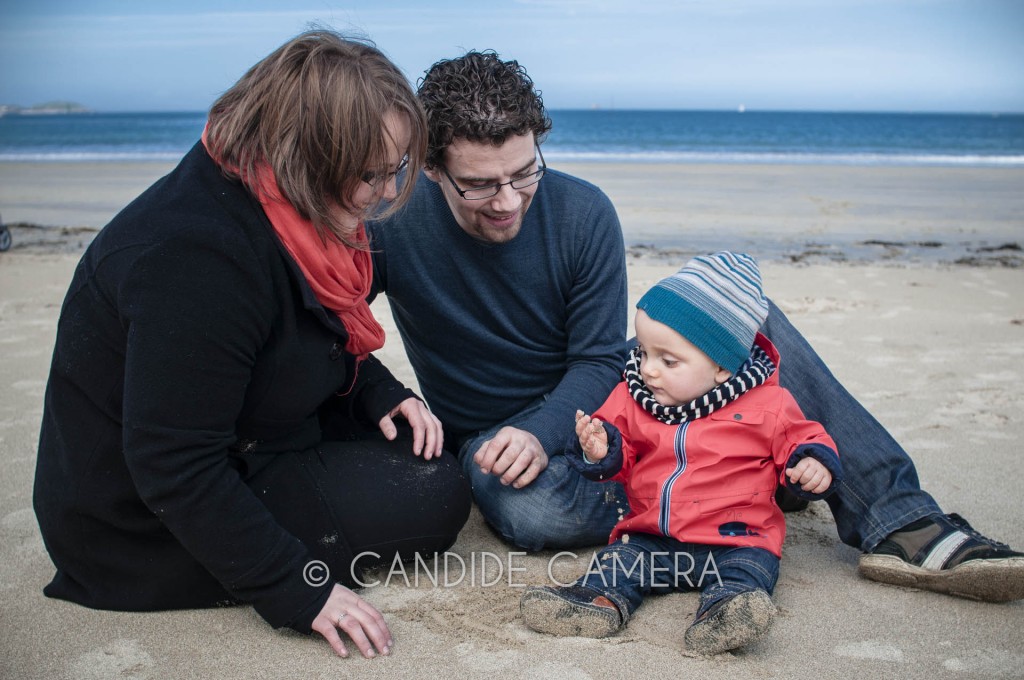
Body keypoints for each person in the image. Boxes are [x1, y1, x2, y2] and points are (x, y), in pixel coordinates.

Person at [368, 50, 1024, 603]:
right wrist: (391, 393)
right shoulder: (389, 223)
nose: (509, 200)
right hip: (501, 439)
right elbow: (327, 326)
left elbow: (600, 362)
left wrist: (549, 427)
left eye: (524, 172)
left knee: (745, 322)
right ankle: (733, 481)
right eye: (482, 185)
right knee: (521, 508)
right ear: (429, 167)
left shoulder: (582, 212)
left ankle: (902, 522)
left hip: (615, 401)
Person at [33, 31, 471, 661]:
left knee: (424, 448)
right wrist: (299, 589)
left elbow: (294, 338)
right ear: (304, 153)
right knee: (434, 494)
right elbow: (172, 463)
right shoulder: (197, 257)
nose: (384, 191)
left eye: (397, 167)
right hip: (135, 524)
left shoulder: (285, 207)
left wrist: (375, 390)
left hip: (240, 434)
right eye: (369, 173)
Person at [520, 252, 842, 654]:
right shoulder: (632, 397)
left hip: (737, 539)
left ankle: (726, 612)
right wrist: (600, 449)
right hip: (652, 537)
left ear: (722, 367)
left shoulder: (769, 404)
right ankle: (597, 602)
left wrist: (811, 462)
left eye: (668, 361)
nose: (648, 370)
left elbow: (804, 436)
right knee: (616, 563)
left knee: (748, 574)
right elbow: (614, 456)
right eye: (643, 353)